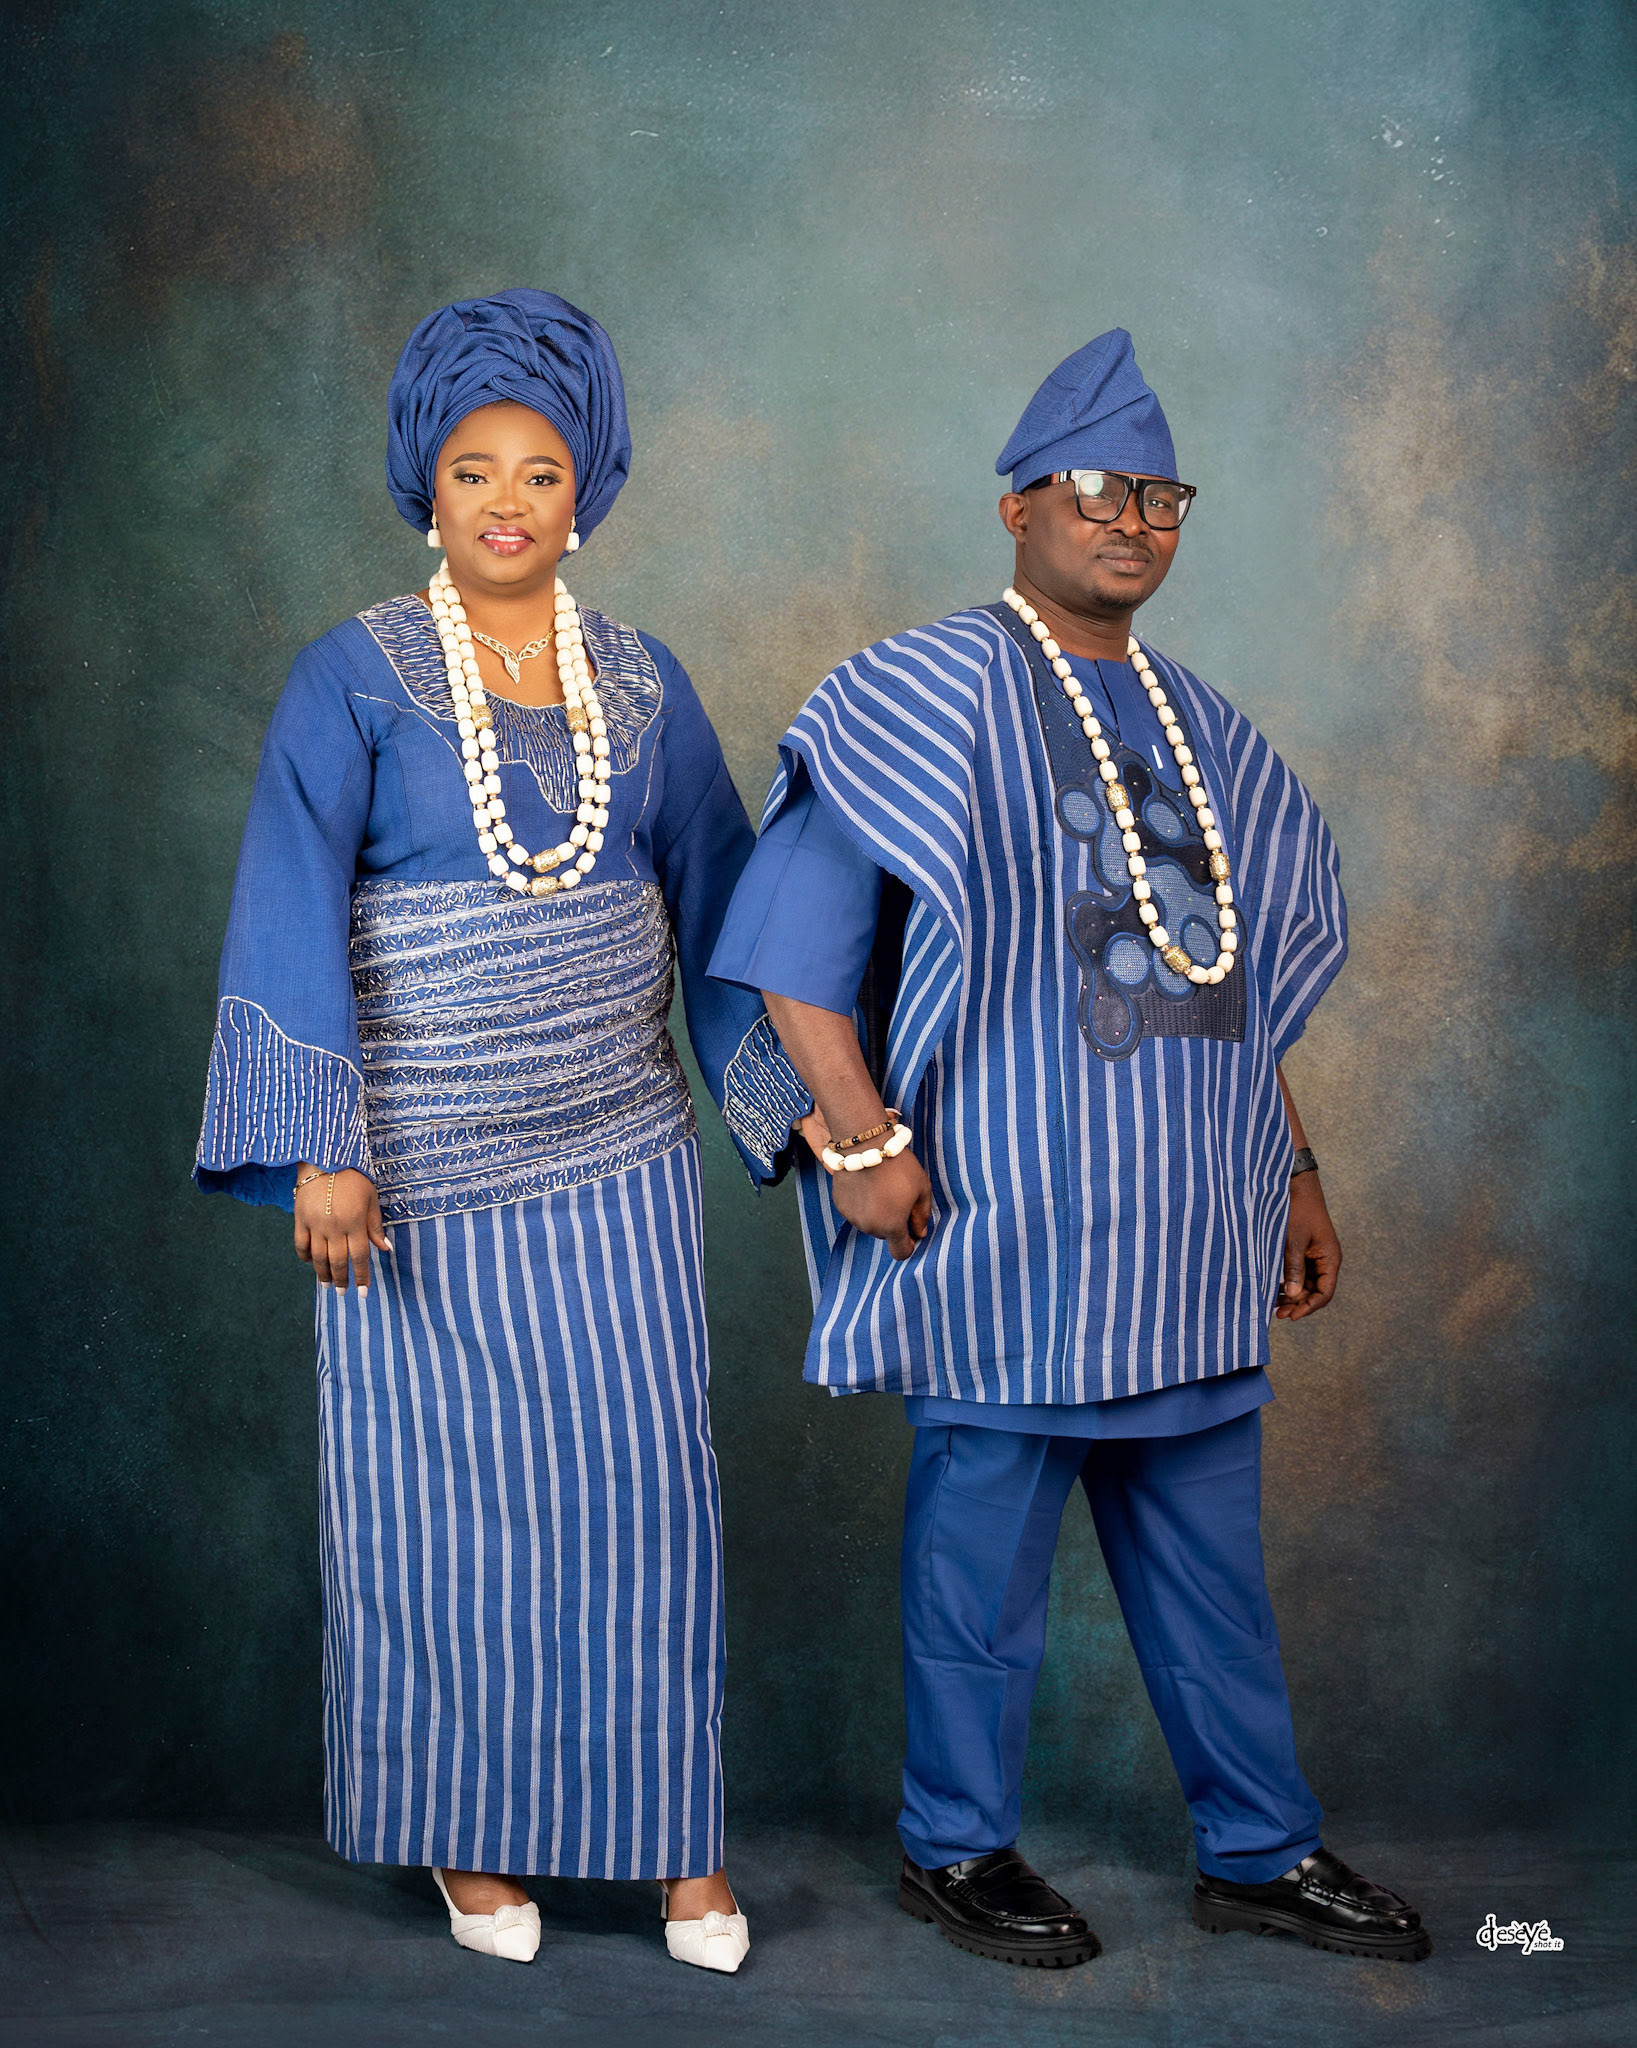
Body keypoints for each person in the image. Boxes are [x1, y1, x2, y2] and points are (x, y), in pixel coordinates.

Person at [709, 329, 1429, 1967]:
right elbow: (791, 949)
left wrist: (1295, 1174)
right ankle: (954, 1846)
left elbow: (1231, 983)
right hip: (1006, 1224)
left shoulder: (1204, 727)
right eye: (1097, 489)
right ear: (1019, 505)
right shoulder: (912, 695)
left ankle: (1258, 1849)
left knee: (1214, 1586)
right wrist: (857, 1141)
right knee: (979, 1580)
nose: (1131, 520)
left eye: (1160, 496)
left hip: (1188, 1234)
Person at [195, 289, 810, 1975]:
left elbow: (727, 913)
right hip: (412, 1176)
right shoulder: (351, 679)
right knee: (440, 1515)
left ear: (583, 490)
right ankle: (468, 1839)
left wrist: (819, 1121)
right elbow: (287, 906)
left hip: (617, 1160)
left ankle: (676, 1846)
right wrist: (323, 1147)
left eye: (540, 472)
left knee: (642, 1500)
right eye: (473, 471)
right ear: (428, 489)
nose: (507, 501)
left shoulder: (645, 683)